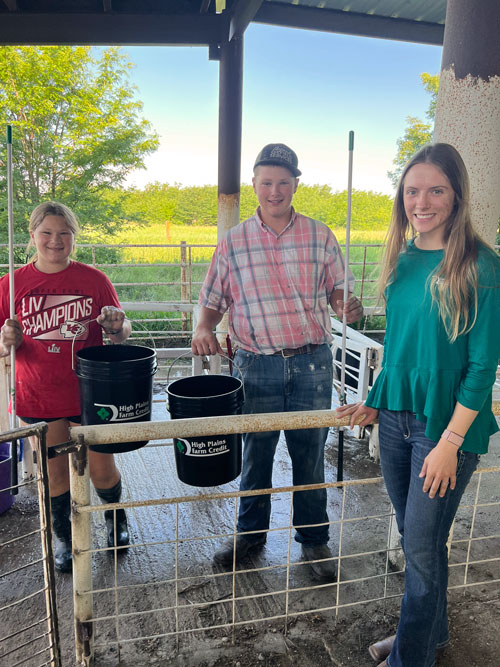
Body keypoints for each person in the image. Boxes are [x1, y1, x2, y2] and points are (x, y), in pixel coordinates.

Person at [337, 143, 500, 666]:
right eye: (412, 190)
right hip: (396, 419)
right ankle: (428, 632)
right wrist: (375, 401)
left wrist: (450, 443)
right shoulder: (403, 259)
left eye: (436, 190)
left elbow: (482, 367)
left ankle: (412, 656)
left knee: (423, 551)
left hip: (445, 427)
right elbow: (402, 347)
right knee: (416, 540)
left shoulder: (482, 265)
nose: (421, 201)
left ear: (456, 197)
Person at [191, 143, 363, 581]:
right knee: (256, 454)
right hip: (255, 363)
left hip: (312, 362)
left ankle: (314, 540)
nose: (275, 190)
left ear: (295, 185)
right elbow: (211, 301)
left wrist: (348, 305)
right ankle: (250, 536)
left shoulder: (320, 234)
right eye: (266, 182)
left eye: (283, 182)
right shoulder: (233, 242)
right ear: (254, 184)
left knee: (310, 456)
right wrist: (203, 328)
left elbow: (338, 293)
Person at [0, 201, 133, 573]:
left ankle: (115, 521)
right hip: (38, 394)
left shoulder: (94, 280)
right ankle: (64, 536)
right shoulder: (11, 285)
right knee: (54, 473)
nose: (55, 241)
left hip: (90, 393)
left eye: (64, 234)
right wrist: (5, 338)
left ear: (74, 236)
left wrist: (115, 325)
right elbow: (0, 344)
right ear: (32, 236)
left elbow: (122, 330)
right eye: (46, 233)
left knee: (101, 468)